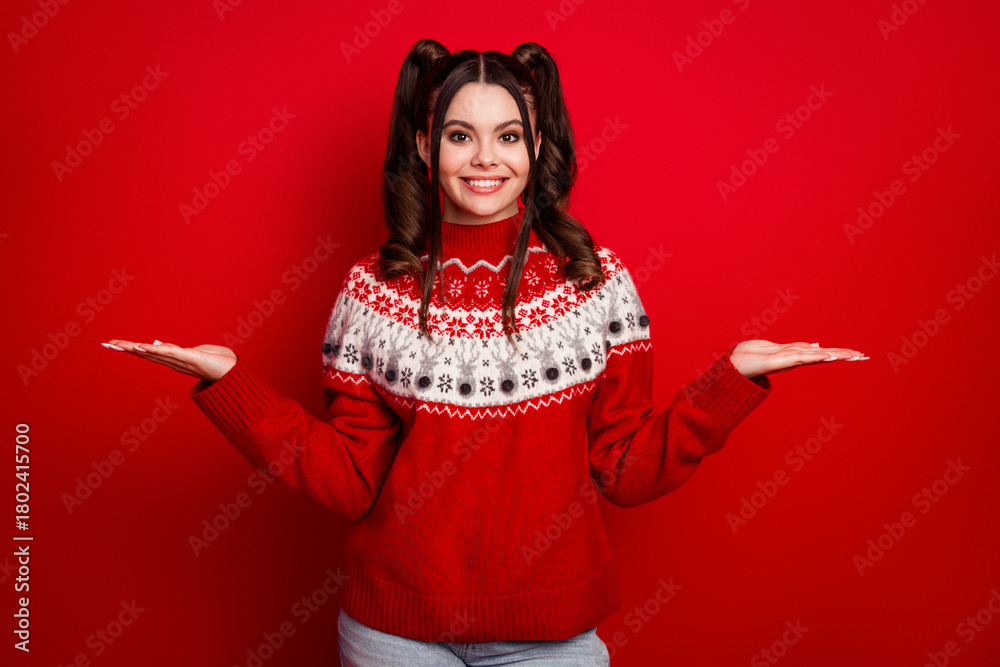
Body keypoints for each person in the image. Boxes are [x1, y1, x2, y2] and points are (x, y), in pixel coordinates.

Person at [102, 38, 867, 666]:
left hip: (550, 636)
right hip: (394, 635)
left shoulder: (596, 282)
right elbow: (349, 478)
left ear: (538, 146)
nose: (484, 158)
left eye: (508, 135)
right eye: (460, 135)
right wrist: (232, 386)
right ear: (424, 144)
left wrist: (732, 382)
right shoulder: (371, 288)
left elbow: (626, 467)